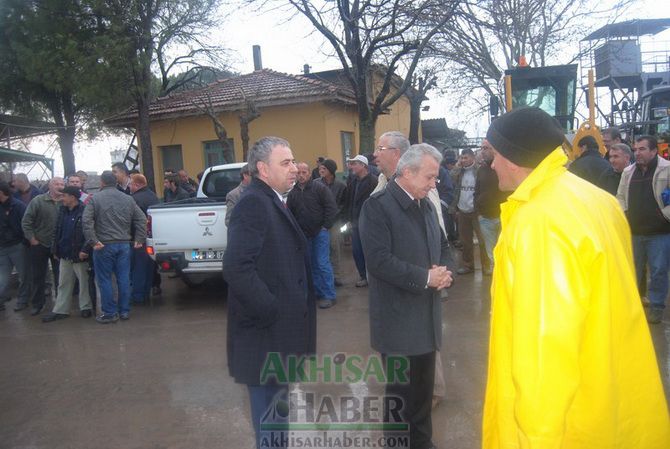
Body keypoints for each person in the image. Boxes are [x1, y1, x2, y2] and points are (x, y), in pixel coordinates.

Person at [482, 107, 670, 449]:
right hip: (612, 396)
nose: (491, 164)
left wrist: (536, 437)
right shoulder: (598, 201)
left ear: (513, 157)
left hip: (570, 424)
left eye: (493, 154)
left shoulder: (538, 221)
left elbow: (545, 346)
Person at [223, 136, 315, 449]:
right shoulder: (253, 203)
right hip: (265, 337)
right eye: (285, 163)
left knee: (277, 420)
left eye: (293, 161)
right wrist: (272, 311)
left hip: (276, 336)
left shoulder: (273, 199)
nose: (294, 169)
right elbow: (237, 268)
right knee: (271, 425)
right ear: (263, 168)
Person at [360, 143, 453, 449]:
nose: (433, 183)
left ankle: (423, 443)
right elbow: (379, 261)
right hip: (398, 321)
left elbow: (443, 245)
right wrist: (425, 277)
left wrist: (445, 272)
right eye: (429, 177)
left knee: (424, 394)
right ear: (408, 172)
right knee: (401, 396)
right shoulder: (378, 207)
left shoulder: (424, 204)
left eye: (435, 178)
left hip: (426, 318)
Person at [617, 135, 670, 324]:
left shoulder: (666, 169)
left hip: (659, 232)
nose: (637, 153)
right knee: (633, 270)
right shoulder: (628, 172)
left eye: (642, 149)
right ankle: (632, 306)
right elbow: (621, 196)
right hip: (634, 231)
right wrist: (625, 214)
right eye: (635, 149)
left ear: (654, 151)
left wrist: (665, 215)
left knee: (658, 270)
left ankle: (656, 306)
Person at [83, 171, 147, 323]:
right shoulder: (128, 198)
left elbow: (86, 221)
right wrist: (139, 238)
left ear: (102, 182)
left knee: (104, 280)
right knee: (123, 278)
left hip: (103, 245)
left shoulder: (95, 199)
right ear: (116, 182)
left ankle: (110, 313)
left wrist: (93, 241)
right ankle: (124, 311)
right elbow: (141, 219)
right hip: (124, 244)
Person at [288, 162, 338, 308]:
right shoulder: (293, 193)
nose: (301, 175)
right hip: (304, 235)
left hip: (320, 233)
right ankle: (317, 292)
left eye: (304, 172)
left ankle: (329, 295)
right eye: (298, 172)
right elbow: (290, 214)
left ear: (310, 173)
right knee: (310, 264)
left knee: (322, 263)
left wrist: (325, 227)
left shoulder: (319, 188)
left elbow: (331, 207)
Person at [42, 186, 93, 322]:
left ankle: (85, 307)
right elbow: (57, 230)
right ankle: (60, 310)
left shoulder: (85, 211)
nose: (62, 198)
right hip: (64, 253)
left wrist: (85, 249)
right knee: (63, 283)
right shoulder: (62, 211)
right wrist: (55, 249)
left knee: (83, 282)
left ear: (72, 197)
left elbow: (90, 232)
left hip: (79, 254)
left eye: (64, 195)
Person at [21, 177, 64, 315]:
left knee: (60, 277)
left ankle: (60, 305)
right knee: (38, 276)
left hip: (59, 246)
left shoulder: (66, 201)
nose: (60, 186)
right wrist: (32, 239)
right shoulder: (38, 201)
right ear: (50, 186)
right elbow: (26, 221)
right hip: (40, 244)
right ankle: (37, 304)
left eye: (62, 184)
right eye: (57, 184)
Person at [451, 148, 491, 275]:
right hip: (462, 210)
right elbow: (451, 177)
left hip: (476, 211)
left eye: (466, 157)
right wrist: (457, 166)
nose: (463, 160)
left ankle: (487, 265)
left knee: (482, 240)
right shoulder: (460, 172)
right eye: (462, 158)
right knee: (465, 241)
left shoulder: (479, 171)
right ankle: (468, 265)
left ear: (473, 158)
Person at [474, 140, 507, 273]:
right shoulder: (481, 170)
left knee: (504, 250)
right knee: (491, 253)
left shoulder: (504, 167)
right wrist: (478, 209)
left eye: (486, 148)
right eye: (482, 148)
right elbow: (477, 190)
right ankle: (497, 279)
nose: (483, 151)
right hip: (485, 217)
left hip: (502, 216)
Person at [345, 155, 378, 287]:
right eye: (351, 164)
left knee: (371, 251)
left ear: (363, 165)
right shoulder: (353, 181)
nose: (352, 167)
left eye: (355, 164)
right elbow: (349, 202)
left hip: (369, 224)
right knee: (357, 251)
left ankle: (374, 277)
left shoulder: (374, 181)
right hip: (355, 223)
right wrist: (347, 219)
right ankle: (363, 276)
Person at [316, 159, 347, 286]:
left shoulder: (341, 186)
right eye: (320, 169)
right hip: (319, 222)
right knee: (322, 250)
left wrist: (334, 216)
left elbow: (343, 204)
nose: (321, 171)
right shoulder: (316, 184)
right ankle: (324, 276)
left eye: (324, 169)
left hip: (334, 222)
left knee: (335, 248)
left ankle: (336, 276)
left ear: (331, 171)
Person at [129, 174, 160, 304]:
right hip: (151, 237)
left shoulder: (134, 199)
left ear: (137, 184)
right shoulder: (153, 196)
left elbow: (132, 220)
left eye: (131, 184)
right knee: (148, 267)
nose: (129, 186)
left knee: (138, 269)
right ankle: (146, 293)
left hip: (138, 239)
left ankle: (138, 296)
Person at [0, 181, 29, 312]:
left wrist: (24, 241)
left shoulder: (18, 206)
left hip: (18, 246)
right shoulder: (16, 205)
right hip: (3, 247)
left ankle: (23, 300)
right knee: (3, 276)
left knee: (23, 276)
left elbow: (26, 225)